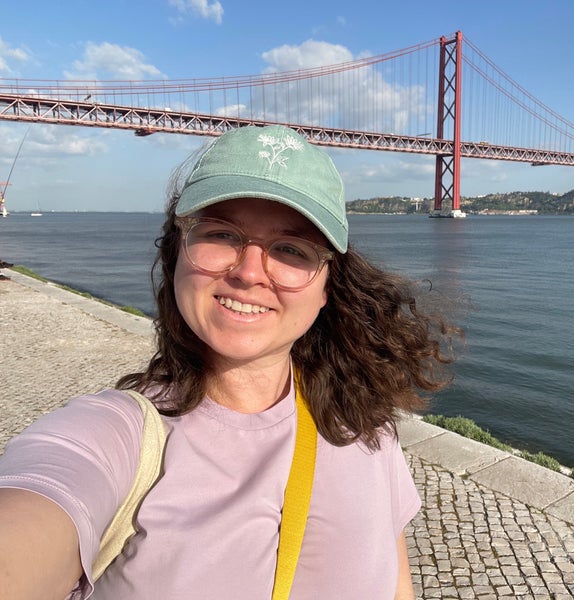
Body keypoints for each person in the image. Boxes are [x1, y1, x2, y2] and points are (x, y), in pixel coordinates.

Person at [0, 125, 458, 599]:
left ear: (327, 287)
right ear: (175, 253)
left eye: (291, 249)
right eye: (220, 234)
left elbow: (397, 584)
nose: (249, 272)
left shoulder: (366, 427)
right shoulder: (116, 436)